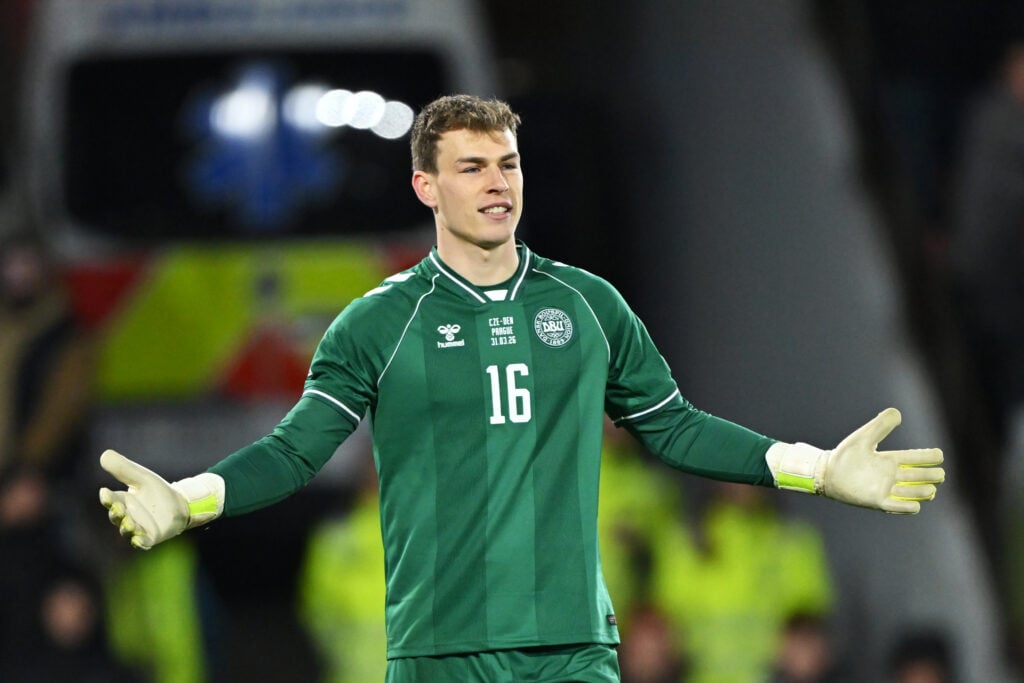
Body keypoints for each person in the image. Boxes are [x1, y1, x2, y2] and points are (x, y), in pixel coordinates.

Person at [98, 94, 946, 683]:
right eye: (471, 167)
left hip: (571, 645)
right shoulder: (377, 324)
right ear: (426, 187)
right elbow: (292, 451)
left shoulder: (587, 304)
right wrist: (189, 497)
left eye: (507, 163)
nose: (497, 182)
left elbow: (674, 427)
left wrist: (816, 468)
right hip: (441, 648)